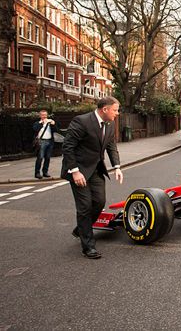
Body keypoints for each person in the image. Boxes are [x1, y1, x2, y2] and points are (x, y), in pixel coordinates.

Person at [61, 97, 123, 259]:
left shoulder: (109, 125)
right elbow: (68, 146)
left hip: (95, 170)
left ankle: (81, 229)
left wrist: (117, 167)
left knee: (99, 202)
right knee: (85, 206)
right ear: (105, 109)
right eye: (115, 110)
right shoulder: (81, 121)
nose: (117, 113)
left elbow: (111, 146)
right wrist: (74, 171)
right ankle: (88, 247)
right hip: (79, 170)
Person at [33, 110, 59, 179]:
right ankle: (37, 173)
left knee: (47, 158)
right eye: (43, 115)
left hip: (49, 141)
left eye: (45, 115)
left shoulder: (50, 123)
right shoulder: (37, 123)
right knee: (40, 157)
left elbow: (56, 130)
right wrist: (42, 123)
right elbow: (35, 129)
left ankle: (45, 172)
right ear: (40, 116)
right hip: (41, 142)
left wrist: (53, 124)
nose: (44, 116)